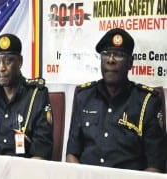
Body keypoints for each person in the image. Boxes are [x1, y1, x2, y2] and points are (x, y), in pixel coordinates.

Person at [66, 28, 167, 172]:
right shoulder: (84, 96)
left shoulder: (147, 102)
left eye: (118, 55)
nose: (111, 60)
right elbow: (72, 155)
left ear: (130, 63)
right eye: (106, 54)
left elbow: (155, 166)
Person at [0, 33, 53, 160]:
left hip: (23, 171)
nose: (1, 68)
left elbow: (41, 153)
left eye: (8, 61)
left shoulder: (37, 96)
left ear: (20, 62)